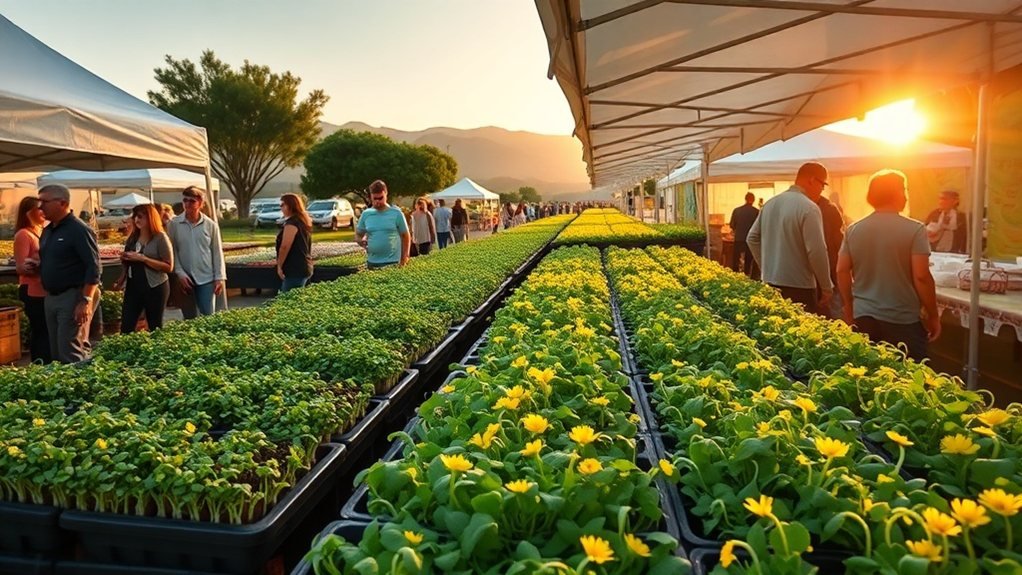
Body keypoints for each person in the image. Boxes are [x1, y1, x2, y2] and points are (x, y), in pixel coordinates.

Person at [836, 170, 940, 361]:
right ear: (897, 193)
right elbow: (921, 277)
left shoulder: (854, 230)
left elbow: (842, 270)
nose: (906, 196)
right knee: (909, 373)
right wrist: (933, 315)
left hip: (864, 316)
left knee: (869, 372)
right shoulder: (915, 229)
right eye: (904, 190)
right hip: (902, 319)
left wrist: (849, 307)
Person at [747, 162, 833, 314]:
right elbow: (816, 251)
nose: (821, 190)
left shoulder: (770, 204)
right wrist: (826, 287)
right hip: (800, 287)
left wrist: (766, 266)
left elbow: (752, 238)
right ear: (812, 180)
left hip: (770, 283)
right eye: (822, 185)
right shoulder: (809, 207)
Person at [36, 184, 101, 363]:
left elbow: (94, 267)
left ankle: (81, 379)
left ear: (62, 203)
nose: (40, 207)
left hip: (72, 296)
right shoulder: (48, 230)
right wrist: (38, 265)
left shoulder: (78, 230)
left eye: (44, 202)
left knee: (70, 350)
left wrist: (85, 300)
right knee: (56, 350)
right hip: (51, 296)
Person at [167, 186, 226, 318]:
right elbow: (172, 251)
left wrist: (219, 277)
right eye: (185, 200)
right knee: (189, 317)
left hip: (206, 277)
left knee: (208, 316)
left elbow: (217, 252)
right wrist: (180, 273)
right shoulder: (174, 224)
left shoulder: (210, 225)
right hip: (184, 277)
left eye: (192, 201)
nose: (187, 204)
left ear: (201, 203)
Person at [113, 204, 173, 333]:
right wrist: (122, 276)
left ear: (150, 218)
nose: (136, 220)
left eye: (140, 216)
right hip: (134, 286)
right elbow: (127, 263)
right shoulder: (133, 237)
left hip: (155, 286)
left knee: (154, 326)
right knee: (126, 326)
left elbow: (169, 266)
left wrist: (144, 259)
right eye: (135, 216)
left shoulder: (160, 238)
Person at [14, 197, 50, 363]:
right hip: (32, 290)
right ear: (28, 213)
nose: (43, 211)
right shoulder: (23, 234)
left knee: (47, 330)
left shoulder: (41, 231)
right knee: (41, 330)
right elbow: (21, 267)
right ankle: (40, 364)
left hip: (44, 289)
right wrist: (40, 264)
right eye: (39, 209)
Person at [355, 180, 410, 269]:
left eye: (380, 198)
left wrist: (404, 258)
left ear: (386, 194)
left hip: (392, 262)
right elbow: (358, 235)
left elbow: (405, 236)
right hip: (372, 263)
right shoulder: (366, 214)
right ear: (371, 197)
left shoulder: (396, 213)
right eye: (375, 198)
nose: (377, 201)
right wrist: (362, 242)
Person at [816, 192, 846, 319]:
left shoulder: (805, 208)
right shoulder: (831, 209)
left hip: (814, 265)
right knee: (834, 300)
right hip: (831, 262)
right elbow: (838, 238)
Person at [275, 194, 313, 292]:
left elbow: (285, 246)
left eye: (283, 205)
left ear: (291, 205)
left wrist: (279, 266)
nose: (281, 208)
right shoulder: (302, 221)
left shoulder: (291, 224)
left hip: (294, 268)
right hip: (303, 266)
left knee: (287, 297)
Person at [729, 192, 759, 276]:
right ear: (753, 200)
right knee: (749, 259)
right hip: (750, 240)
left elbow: (732, 225)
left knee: (736, 258)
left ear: (745, 199)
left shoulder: (736, 210)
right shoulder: (756, 212)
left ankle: (735, 275)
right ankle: (747, 275)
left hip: (739, 238)